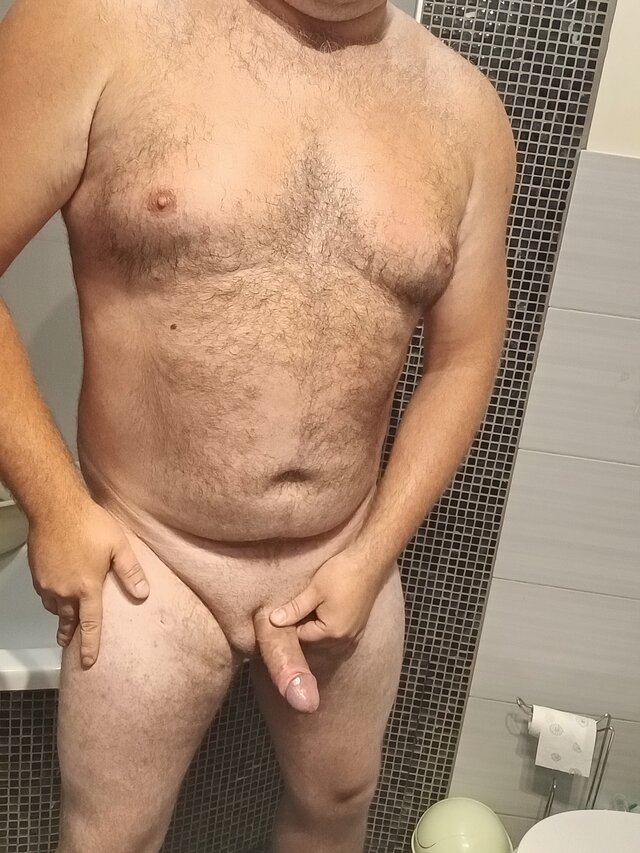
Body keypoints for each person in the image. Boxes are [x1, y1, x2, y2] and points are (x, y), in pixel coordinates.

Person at [0, 0, 516, 850]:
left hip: (342, 550)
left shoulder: (465, 113)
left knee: (339, 801)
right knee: (112, 836)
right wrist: (55, 505)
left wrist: (372, 552)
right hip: (150, 555)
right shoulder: (95, 23)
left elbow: (462, 359)